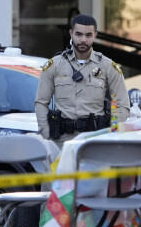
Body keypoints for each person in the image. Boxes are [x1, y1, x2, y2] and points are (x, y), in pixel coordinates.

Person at [34, 14, 129, 146]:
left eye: (88, 35)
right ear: (71, 33)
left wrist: (112, 135)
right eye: (78, 34)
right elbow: (41, 102)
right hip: (61, 142)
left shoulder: (107, 67)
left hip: (95, 141)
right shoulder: (54, 65)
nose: (83, 39)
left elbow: (121, 104)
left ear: (95, 35)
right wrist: (47, 136)